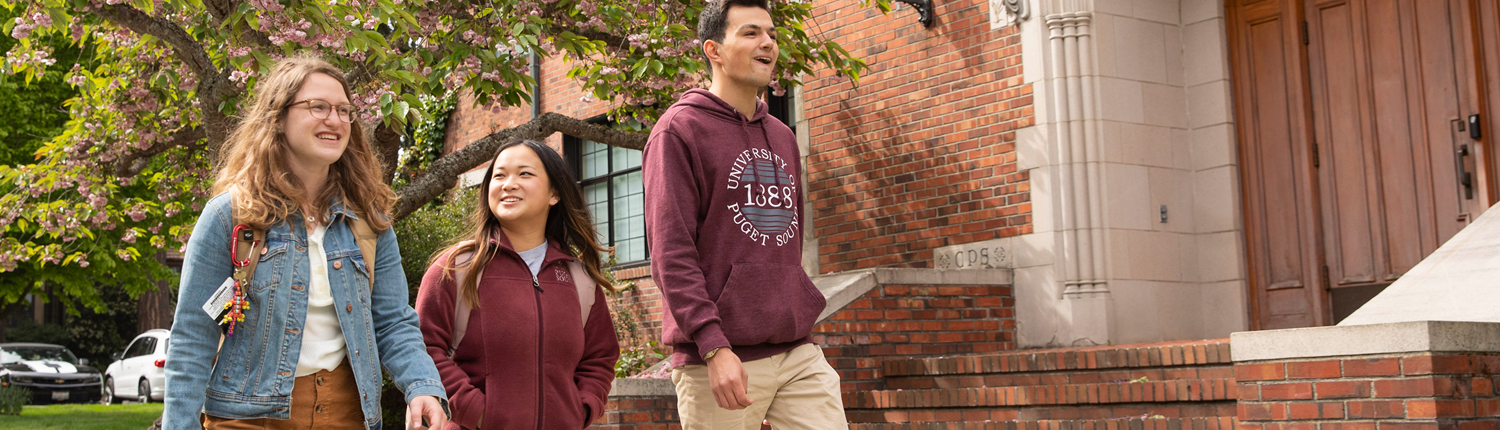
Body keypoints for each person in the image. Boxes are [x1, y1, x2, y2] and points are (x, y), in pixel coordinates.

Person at [162, 55, 449, 430]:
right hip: (246, 419)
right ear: (278, 118)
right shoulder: (230, 216)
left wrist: (421, 385)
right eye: (318, 107)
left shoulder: (369, 221)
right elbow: (192, 338)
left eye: (344, 110)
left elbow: (393, 322)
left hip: (348, 416)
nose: (335, 119)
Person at [642, 0, 846, 428]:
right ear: (713, 50)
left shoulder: (783, 136)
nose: (767, 42)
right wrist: (713, 346)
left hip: (796, 351)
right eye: (751, 32)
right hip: (716, 359)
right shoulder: (678, 132)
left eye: (771, 33)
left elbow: (787, 243)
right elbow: (671, 253)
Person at [416, 139, 621, 430]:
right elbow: (424, 348)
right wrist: (480, 414)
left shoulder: (579, 278)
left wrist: (582, 409)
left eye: (524, 174)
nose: (508, 184)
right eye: (499, 175)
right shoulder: (455, 269)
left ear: (554, 193)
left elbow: (600, 356)